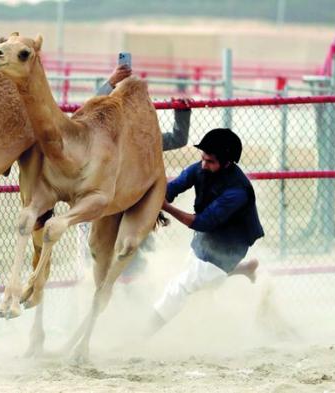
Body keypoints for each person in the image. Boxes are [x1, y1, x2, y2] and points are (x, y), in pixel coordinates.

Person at [77, 64, 192, 279]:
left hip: (132, 207)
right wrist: (110, 83)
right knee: (97, 253)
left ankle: (131, 296)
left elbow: (178, 137)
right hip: (104, 206)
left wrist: (182, 109)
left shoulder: (144, 140)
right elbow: (87, 117)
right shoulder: (104, 138)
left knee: (133, 256)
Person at [147, 128, 264, 335]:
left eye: (210, 161)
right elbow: (173, 187)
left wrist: (165, 207)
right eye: (203, 158)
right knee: (200, 282)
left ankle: (143, 333)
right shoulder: (202, 168)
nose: (203, 164)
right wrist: (153, 195)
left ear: (227, 162)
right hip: (206, 241)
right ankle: (243, 270)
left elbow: (202, 222)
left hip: (229, 248)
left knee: (181, 286)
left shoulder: (238, 191)